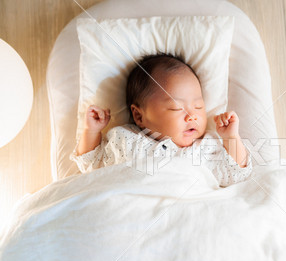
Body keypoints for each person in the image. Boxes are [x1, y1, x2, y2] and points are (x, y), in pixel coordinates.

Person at [70, 52, 252, 187]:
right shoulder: (124, 140)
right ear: (139, 116)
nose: (192, 115)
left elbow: (236, 174)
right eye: (176, 108)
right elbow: (92, 165)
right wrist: (91, 131)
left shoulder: (206, 147)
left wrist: (231, 138)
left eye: (198, 107)